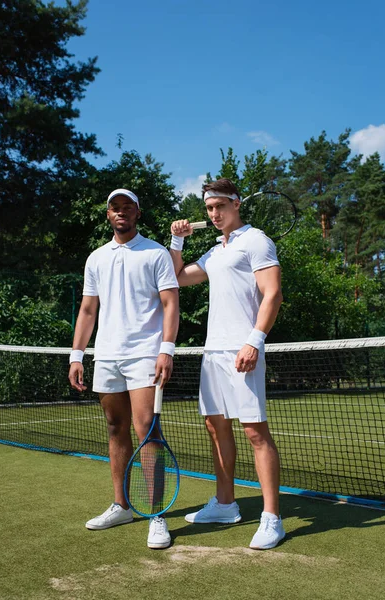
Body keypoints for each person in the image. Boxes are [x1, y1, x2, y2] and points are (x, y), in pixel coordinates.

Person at [169, 178, 285, 550]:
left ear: (236, 203)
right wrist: (178, 241)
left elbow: (273, 293)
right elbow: (177, 277)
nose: (214, 214)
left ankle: (272, 518)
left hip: (244, 349)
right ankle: (224, 503)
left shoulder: (257, 240)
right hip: (214, 353)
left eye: (220, 206)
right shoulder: (215, 252)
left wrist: (254, 340)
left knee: (255, 432)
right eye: (209, 208)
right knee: (215, 427)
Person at [69, 188, 179, 550]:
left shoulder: (156, 252)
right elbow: (88, 311)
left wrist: (166, 350)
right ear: (108, 215)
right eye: (115, 208)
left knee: (146, 429)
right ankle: (121, 505)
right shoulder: (96, 258)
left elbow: (170, 303)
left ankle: (157, 514)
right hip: (107, 356)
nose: (121, 213)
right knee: (116, 427)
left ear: (137, 213)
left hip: (146, 355)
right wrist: (76, 355)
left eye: (127, 207)